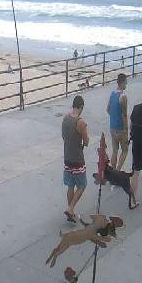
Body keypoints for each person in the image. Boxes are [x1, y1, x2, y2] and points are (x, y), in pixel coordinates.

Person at [62, 95, 89, 223]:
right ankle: (71, 208)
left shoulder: (65, 118)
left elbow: (63, 136)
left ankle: (70, 212)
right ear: (81, 107)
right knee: (82, 185)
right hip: (77, 159)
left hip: (67, 157)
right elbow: (86, 141)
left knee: (70, 185)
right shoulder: (81, 122)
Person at [106, 73, 129, 170]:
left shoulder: (112, 94)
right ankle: (117, 171)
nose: (126, 84)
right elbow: (124, 115)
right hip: (120, 128)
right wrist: (126, 130)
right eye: (126, 82)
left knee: (115, 150)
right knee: (125, 150)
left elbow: (108, 109)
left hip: (112, 127)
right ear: (122, 82)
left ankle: (113, 170)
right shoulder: (123, 97)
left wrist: (114, 117)